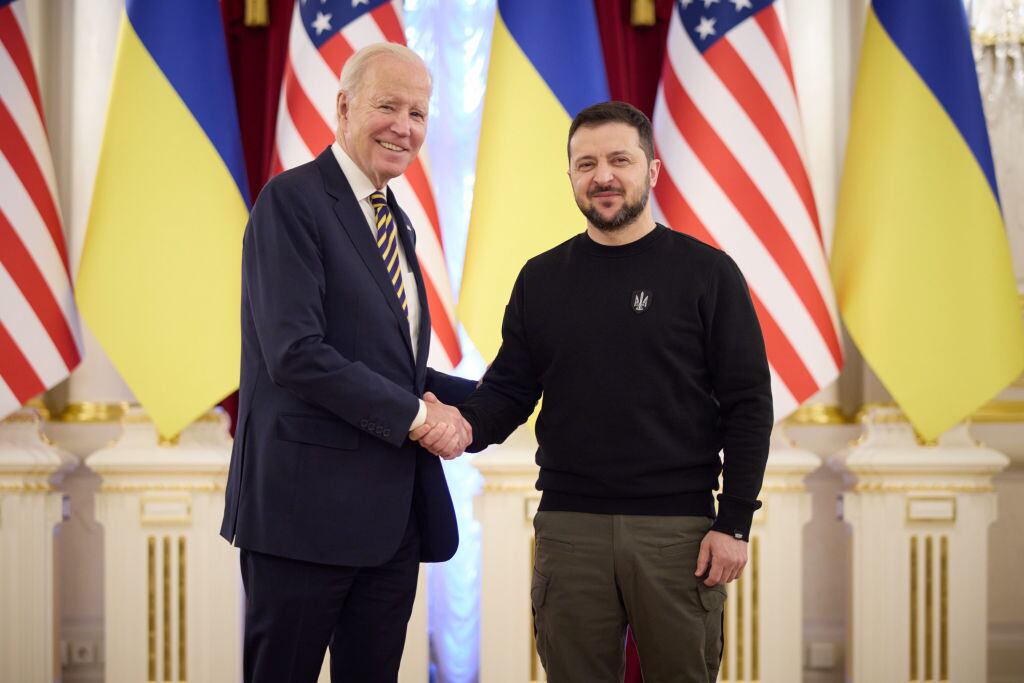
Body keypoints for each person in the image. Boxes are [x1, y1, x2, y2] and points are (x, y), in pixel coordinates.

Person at [449, 101, 773, 681]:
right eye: (587, 163)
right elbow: (509, 391)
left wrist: (735, 523)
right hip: (569, 530)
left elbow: (750, 407)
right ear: (570, 176)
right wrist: (459, 424)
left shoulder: (708, 273)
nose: (603, 176)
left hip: (681, 535)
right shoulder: (541, 279)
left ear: (651, 170)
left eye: (619, 160)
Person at [220, 43, 475, 683]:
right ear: (342, 106)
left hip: (389, 525)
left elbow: (394, 370)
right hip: (302, 520)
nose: (404, 127)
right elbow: (297, 354)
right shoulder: (292, 202)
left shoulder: (397, 223)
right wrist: (420, 419)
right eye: (387, 105)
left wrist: (502, 394)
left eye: (418, 113)